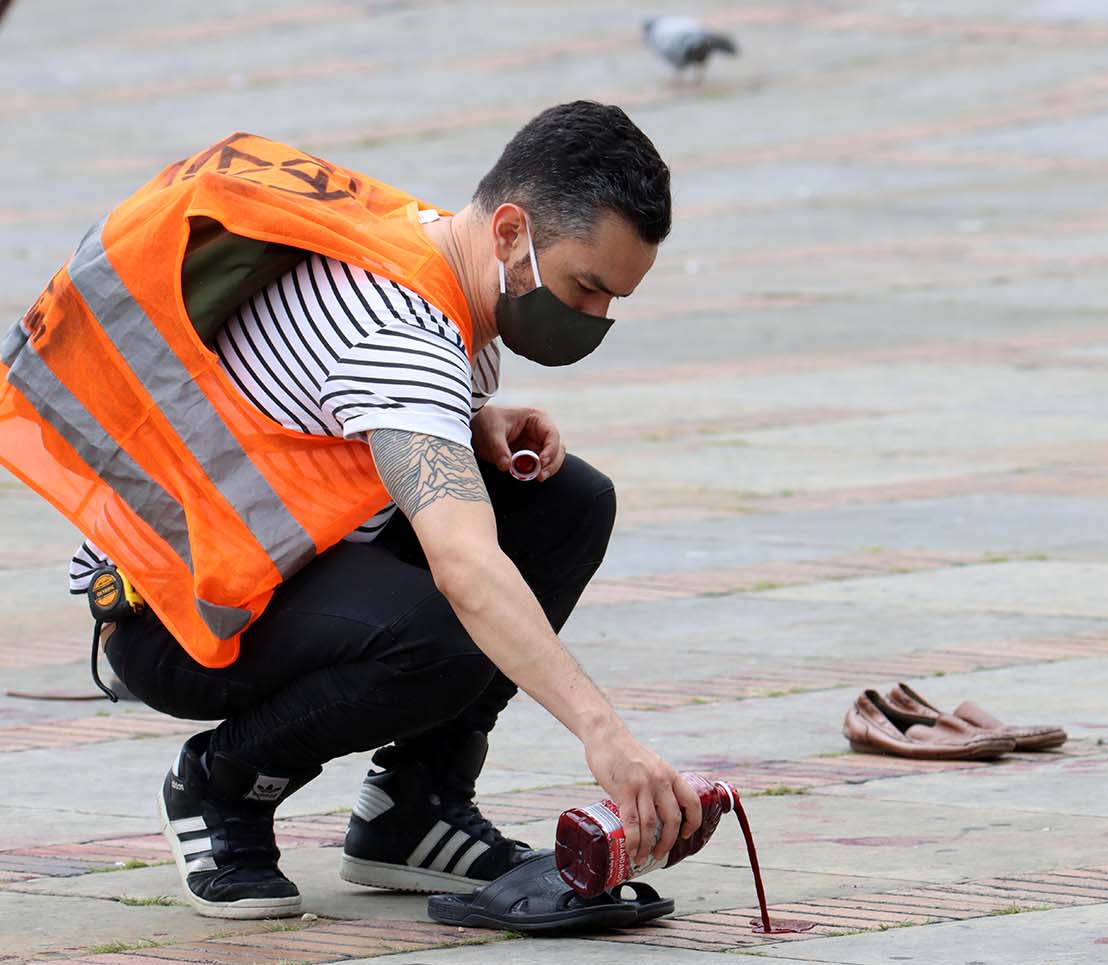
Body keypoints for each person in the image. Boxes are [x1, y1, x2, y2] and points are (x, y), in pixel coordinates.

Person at [1, 101, 703, 919]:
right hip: (172, 613)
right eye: (585, 287)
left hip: (260, 555)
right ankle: (221, 785)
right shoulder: (404, 334)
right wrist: (603, 734)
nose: (591, 320)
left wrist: (466, 421)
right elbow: (464, 564)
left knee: (567, 500)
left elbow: (326, 389)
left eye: (612, 301)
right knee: (444, 626)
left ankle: (415, 810)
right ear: (510, 231)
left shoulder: (429, 240)